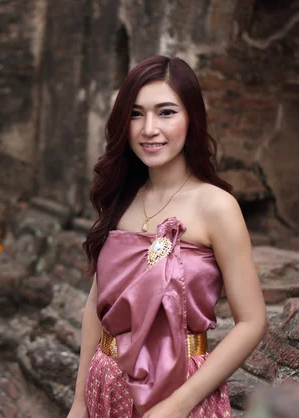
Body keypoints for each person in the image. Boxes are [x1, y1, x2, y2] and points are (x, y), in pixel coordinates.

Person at [67, 55, 267, 418]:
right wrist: (79, 402)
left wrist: (177, 406)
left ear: (192, 118)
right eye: (136, 114)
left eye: (166, 112)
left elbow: (252, 322)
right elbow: (95, 310)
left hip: (177, 391)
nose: (149, 129)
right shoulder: (121, 197)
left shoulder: (217, 206)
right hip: (105, 386)